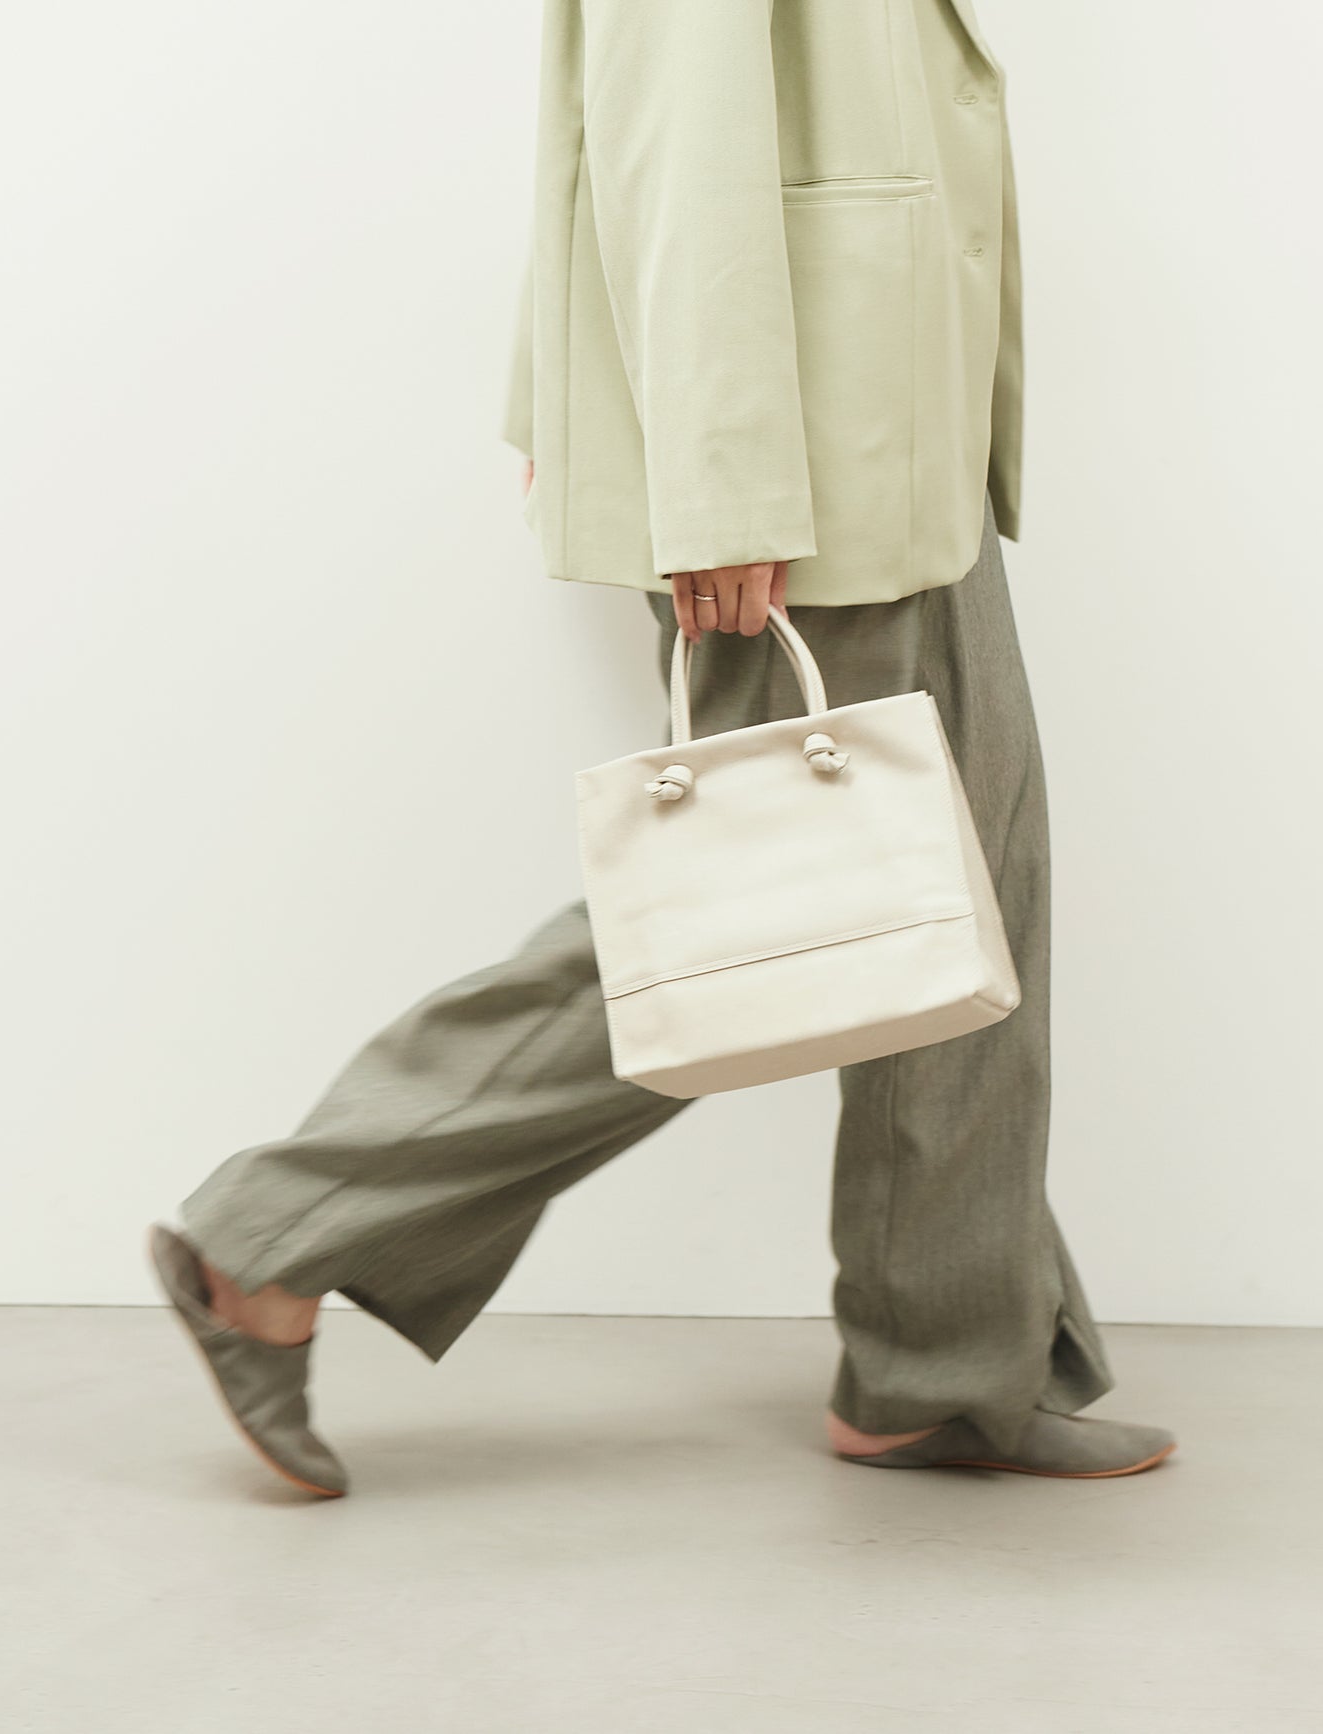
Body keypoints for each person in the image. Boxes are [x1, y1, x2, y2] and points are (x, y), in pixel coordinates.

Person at [149, 0, 1176, 1497]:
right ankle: (275, 1234)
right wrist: (719, 481)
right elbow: (664, 141)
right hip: (801, 470)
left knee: (969, 901)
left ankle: (942, 1367)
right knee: (738, 920)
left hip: (897, 433)